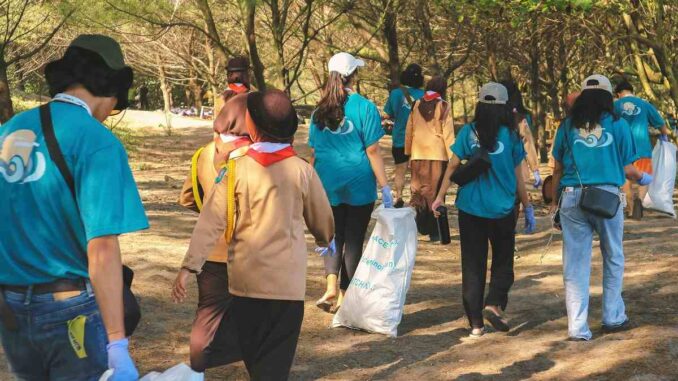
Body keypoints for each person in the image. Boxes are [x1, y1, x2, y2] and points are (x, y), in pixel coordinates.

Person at [0, 35, 148, 380]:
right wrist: (116, 343)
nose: (111, 113)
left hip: (11, 310)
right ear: (110, 88)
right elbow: (103, 248)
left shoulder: (9, 132)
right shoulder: (98, 143)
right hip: (71, 312)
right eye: (117, 103)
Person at [173, 89, 334, 380]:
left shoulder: (234, 170)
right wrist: (325, 240)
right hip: (288, 286)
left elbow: (210, 221)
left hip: (245, 284)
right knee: (276, 361)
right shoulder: (303, 171)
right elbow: (322, 219)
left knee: (255, 353)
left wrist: (189, 266)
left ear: (252, 126)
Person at [551, 74, 652, 341]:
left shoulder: (567, 126)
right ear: (609, 97)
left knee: (575, 264)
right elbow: (630, 170)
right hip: (607, 198)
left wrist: (553, 203)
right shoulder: (618, 125)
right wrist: (645, 179)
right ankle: (612, 317)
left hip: (572, 198)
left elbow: (558, 169)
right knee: (613, 256)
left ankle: (577, 327)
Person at [432, 82, 536, 337]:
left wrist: (439, 197)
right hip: (502, 209)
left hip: (471, 209)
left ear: (479, 104)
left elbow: (452, 167)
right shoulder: (511, 136)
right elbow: (517, 175)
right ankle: (494, 303)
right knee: (502, 261)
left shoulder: (468, 132)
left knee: (473, 265)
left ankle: (476, 324)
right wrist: (527, 205)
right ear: (504, 107)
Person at [310, 52, 393, 312]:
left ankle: (330, 287)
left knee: (332, 236)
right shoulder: (365, 107)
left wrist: (310, 186)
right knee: (354, 239)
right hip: (359, 183)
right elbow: (372, 151)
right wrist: (385, 186)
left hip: (327, 183)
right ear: (353, 76)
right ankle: (346, 294)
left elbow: (314, 152)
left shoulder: (318, 111)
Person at [177, 93, 251, 373]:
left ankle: (198, 368)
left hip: (211, 250)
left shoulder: (203, 153)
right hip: (247, 250)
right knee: (253, 313)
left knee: (207, 314)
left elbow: (187, 197)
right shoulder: (253, 155)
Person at [404, 76, 454, 241]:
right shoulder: (444, 105)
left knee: (419, 191)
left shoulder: (416, 104)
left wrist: (408, 150)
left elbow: (409, 129)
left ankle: (418, 225)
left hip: (418, 154)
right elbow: (448, 134)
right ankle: (434, 231)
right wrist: (454, 157)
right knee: (436, 191)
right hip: (438, 155)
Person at [613, 80, 669, 219]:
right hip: (643, 146)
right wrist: (664, 136)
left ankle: (631, 210)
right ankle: (640, 199)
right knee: (644, 176)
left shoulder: (615, 106)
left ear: (619, 94)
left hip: (622, 149)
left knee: (626, 179)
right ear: (632, 91)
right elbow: (660, 124)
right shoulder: (644, 104)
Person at [384, 63, 425, 207]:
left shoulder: (395, 93)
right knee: (416, 172)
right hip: (419, 141)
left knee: (400, 170)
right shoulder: (424, 95)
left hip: (400, 138)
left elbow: (388, 113)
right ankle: (415, 199)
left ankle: (398, 197)